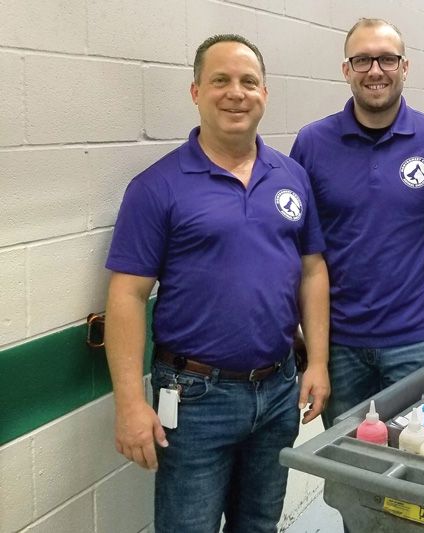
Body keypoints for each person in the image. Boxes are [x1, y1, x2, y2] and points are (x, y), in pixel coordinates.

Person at [104, 34, 330, 533]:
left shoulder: (291, 177)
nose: (236, 93)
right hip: (193, 397)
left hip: (278, 391)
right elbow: (127, 294)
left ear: (265, 94)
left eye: (249, 82)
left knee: (259, 524)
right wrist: (129, 402)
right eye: (220, 80)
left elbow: (313, 270)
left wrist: (317, 361)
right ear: (195, 92)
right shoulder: (157, 187)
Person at [290, 18, 424, 428]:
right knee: (349, 468)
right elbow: (295, 247)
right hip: (336, 344)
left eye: (387, 59)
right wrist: (293, 331)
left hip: (413, 340)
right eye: (363, 59)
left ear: (404, 67)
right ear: (346, 70)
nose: (375, 70)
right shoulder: (312, 144)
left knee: (416, 462)